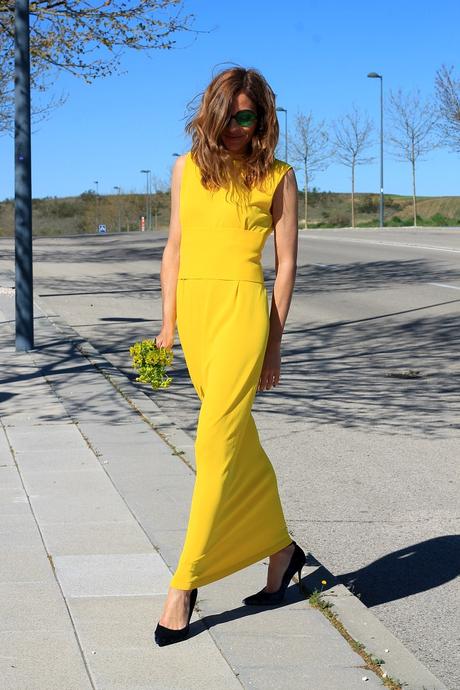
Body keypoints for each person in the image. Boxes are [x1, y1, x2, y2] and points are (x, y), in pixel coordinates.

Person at [153, 66, 306, 647]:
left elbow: (286, 266)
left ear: (262, 119)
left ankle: (184, 583)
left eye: (249, 116)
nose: (239, 127)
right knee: (237, 441)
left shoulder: (279, 178)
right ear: (210, 115)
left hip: (243, 314)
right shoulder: (185, 170)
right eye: (229, 116)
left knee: (212, 443)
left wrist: (274, 343)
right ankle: (281, 551)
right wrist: (168, 325)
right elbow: (174, 248)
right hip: (196, 315)